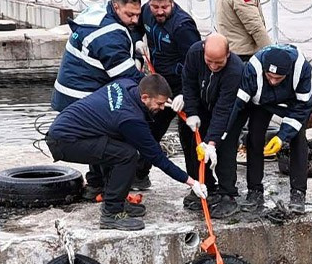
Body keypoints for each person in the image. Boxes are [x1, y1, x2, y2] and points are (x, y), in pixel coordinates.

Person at [45, 75, 208, 231]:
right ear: (145, 98)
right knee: (127, 156)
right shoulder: (131, 119)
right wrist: (192, 182)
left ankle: (116, 199)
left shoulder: (125, 84)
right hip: (65, 141)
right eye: (159, 104)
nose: (161, 108)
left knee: (117, 145)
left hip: (71, 129)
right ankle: (111, 213)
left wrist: (172, 99)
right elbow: (157, 157)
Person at [52, 0, 146, 200]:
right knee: (109, 140)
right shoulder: (109, 36)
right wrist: (153, 87)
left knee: (94, 137)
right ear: (116, 6)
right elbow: (125, 76)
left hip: (68, 91)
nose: (134, 20)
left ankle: (97, 183)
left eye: (137, 15)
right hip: (81, 94)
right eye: (129, 15)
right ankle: (107, 189)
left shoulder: (98, 14)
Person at [212, 44, 312, 215]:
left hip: (292, 102)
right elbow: (235, 108)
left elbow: (303, 107)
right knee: (254, 138)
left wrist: (282, 136)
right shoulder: (252, 69)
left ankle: (298, 193)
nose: (273, 81)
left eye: (278, 78)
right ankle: (255, 190)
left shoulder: (302, 69)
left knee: (299, 139)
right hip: (262, 102)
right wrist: (218, 137)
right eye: (270, 76)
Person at [134, 0, 201, 192]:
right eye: (156, 7)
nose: (160, 12)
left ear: (172, 2)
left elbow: (196, 62)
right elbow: (135, 27)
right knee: (150, 130)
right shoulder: (146, 12)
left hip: (182, 86)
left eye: (165, 7)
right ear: (149, 3)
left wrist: (185, 94)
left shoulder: (183, 27)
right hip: (158, 84)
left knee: (189, 137)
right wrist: (137, 45)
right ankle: (139, 174)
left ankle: (197, 183)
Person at [182, 33, 246, 217]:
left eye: (219, 62)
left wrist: (212, 143)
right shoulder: (194, 53)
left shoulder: (235, 70)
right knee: (195, 145)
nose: (213, 66)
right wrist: (192, 112)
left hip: (228, 111)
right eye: (209, 61)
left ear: (228, 55)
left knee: (225, 149)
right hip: (202, 106)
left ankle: (228, 193)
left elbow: (223, 109)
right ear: (203, 51)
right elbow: (188, 83)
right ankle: (205, 185)